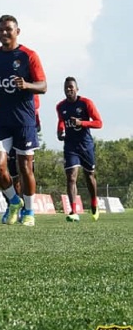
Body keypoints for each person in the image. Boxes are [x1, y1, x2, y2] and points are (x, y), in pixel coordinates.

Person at [0, 15, 46, 227]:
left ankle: (29, 210)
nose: (4, 33)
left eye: (8, 29)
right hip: (1, 120)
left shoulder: (29, 56)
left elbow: (43, 86)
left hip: (24, 120)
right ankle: (14, 201)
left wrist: (27, 85)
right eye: (1, 30)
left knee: (25, 167)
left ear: (17, 31)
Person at [56, 77, 103, 222]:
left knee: (89, 176)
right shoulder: (60, 106)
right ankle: (73, 211)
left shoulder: (86, 103)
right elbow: (61, 122)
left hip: (86, 145)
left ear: (77, 89)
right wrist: (60, 131)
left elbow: (99, 123)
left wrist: (81, 123)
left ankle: (94, 202)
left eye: (71, 87)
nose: (68, 90)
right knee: (71, 177)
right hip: (70, 145)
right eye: (66, 87)